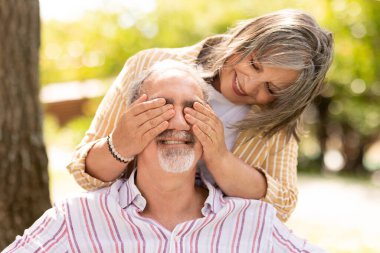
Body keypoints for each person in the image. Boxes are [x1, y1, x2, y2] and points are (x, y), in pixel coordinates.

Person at [4, 61, 326, 252]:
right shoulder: (75, 220)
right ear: (131, 120)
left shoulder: (253, 225)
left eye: (193, 109)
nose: (178, 120)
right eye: (161, 106)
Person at [67, 9, 334, 222]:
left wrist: (219, 159)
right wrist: (120, 145)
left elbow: (281, 206)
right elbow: (85, 174)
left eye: (271, 88)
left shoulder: (277, 119)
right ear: (246, 37)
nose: (249, 85)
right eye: (254, 64)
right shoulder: (149, 66)